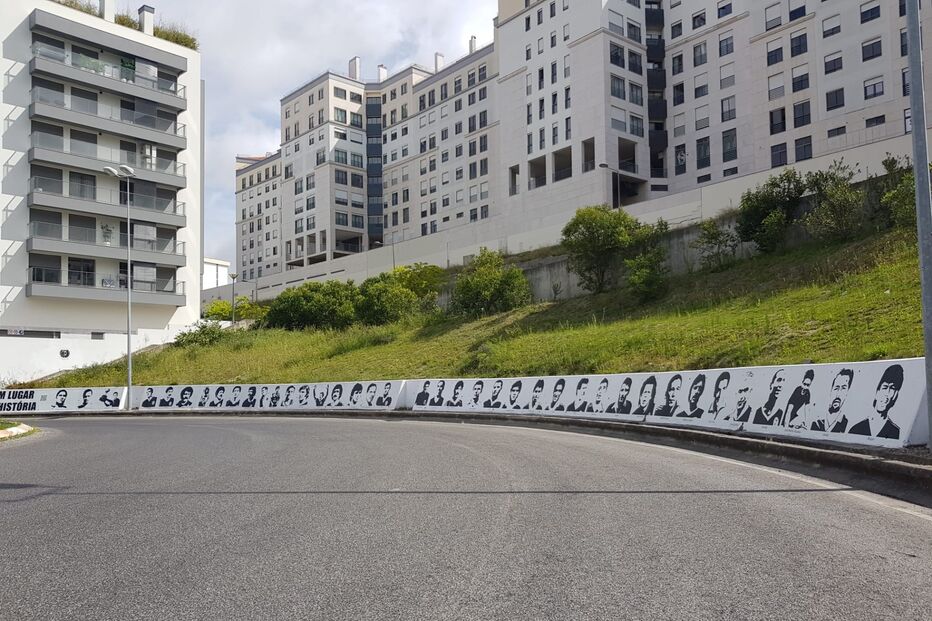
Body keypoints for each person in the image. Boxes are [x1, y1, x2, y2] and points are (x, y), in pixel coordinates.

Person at [849, 364, 904, 439]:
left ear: (895, 395)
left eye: (892, 388)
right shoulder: (856, 429)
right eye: (885, 387)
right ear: (877, 392)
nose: (886, 394)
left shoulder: (895, 432)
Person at [811, 369, 853, 433]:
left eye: (843, 388)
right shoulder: (817, 422)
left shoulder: (847, 425)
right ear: (831, 390)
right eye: (836, 388)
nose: (838, 394)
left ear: (848, 392)